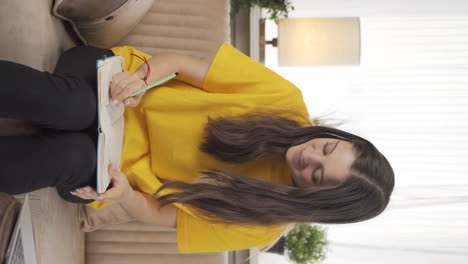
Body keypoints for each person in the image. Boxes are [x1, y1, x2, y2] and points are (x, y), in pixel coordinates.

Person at [0, 43, 395, 253]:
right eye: (326, 148)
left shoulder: (262, 224)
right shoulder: (285, 101)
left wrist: (124, 195)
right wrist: (141, 78)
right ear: (338, 137)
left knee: (73, 156)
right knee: (76, 106)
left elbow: (159, 214)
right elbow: (182, 64)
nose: (310, 156)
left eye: (317, 175)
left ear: (316, 202)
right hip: (119, 88)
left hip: (109, 170)